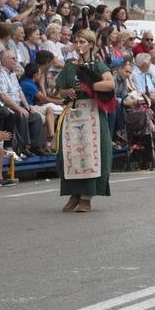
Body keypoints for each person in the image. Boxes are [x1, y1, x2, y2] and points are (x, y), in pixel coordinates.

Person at [52, 28, 115, 213]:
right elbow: (58, 90)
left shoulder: (97, 65)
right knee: (72, 155)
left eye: (83, 42)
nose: (79, 45)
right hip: (73, 113)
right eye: (76, 42)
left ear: (91, 44)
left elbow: (110, 84)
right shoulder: (70, 66)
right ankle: (74, 194)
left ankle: (87, 197)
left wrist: (90, 86)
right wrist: (67, 92)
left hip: (93, 113)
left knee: (92, 155)